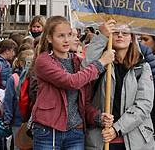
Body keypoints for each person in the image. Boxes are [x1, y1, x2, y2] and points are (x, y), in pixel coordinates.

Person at [31, 15, 114, 150]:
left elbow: (83, 102)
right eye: (61, 36)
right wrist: (101, 62)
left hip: (76, 131)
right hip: (49, 130)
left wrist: (98, 117)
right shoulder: (43, 61)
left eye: (69, 35)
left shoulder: (77, 61)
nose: (66, 40)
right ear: (49, 38)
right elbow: (71, 82)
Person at [83, 22, 155, 150]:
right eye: (116, 32)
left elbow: (144, 104)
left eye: (125, 33)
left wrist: (117, 129)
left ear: (132, 38)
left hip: (135, 139)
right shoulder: (102, 63)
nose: (120, 36)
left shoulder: (142, 66)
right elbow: (85, 67)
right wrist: (102, 37)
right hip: (101, 138)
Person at [2, 49, 34, 150]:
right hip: (17, 119)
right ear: (21, 63)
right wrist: (7, 119)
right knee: (18, 145)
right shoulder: (14, 78)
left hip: (30, 119)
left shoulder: (34, 77)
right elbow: (8, 100)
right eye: (28, 62)